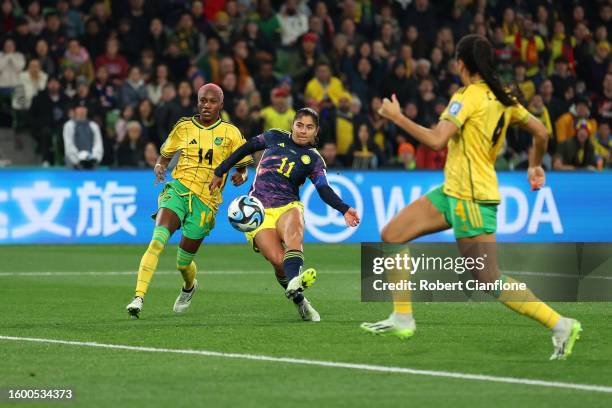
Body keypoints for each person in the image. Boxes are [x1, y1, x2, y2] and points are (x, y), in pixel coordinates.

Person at [361, 34, 581, 361]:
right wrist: (534, 165)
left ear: (461, 63)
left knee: (489, 279)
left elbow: (437, 140)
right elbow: (542, 132)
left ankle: (560, 324)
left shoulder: (467, 96)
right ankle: (403, 317)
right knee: (392, 234)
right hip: (453, 191)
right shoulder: (505, 98)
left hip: (473, 198)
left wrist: (397, 118)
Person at [210, 108, 360, 321]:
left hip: (288, 205)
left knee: (293, 239)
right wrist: (220, 170)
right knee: (278, 262)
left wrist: (344, 208)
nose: (303, 131)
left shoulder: (314, 159)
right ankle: (300, 300)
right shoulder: (273, 137)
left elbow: (324, 189)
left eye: (309, 127)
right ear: (293, 125)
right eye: (299, 125)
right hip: (259, 211)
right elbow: (246, 148)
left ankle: (294, 282)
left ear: (316, 131)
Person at [125, 83, 253, 318]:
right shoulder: (183, 127)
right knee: (157, 241)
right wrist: (159, 167)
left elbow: (244, 167)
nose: (207, 105)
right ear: (197, 102)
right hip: (179, 190)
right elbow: (164, 157)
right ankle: (138, 297)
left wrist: (241, 176)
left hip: (207, 201)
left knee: (183, 263)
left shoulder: (231, 133)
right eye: (203, 100)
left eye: (212, 101)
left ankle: (189, 287)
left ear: (221, 105)